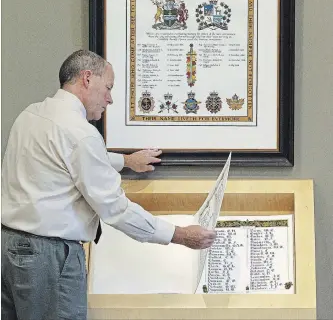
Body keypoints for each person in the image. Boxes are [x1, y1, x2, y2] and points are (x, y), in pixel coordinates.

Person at [1, 49, 216, 320]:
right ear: (87, 78)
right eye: (109, 87)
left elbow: (63, 158)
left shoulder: (31, 116)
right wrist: (180, 235)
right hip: (50, 259)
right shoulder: (81, 134)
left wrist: (126, 160)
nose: (110, 99)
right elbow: (115, 208)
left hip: (10, 248)